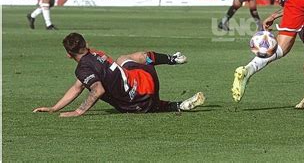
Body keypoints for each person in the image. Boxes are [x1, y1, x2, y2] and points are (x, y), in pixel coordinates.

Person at [33, 33, 205, 117]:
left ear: (69, 55)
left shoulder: (83, 69)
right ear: (87, 45)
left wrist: (78, 111)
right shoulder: (96, 53)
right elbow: (77, 87)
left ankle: (176, 105)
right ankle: (172, 60)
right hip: (147, 80)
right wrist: (55, 108)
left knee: (132, 98)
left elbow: (97, 90)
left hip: (137, 102)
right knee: (125, 59)